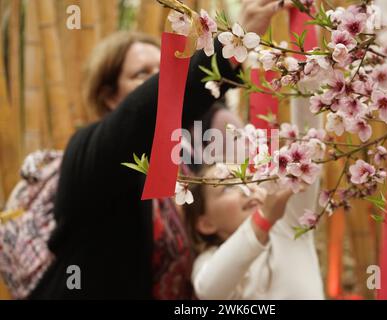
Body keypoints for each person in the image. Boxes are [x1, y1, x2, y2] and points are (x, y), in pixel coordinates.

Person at [28, 0, 288, 299]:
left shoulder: (186, 166)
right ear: (109, 96)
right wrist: (228, 48)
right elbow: (140, 117)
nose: (159, 79)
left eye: (164, 69)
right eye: (143, 74)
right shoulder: (88, 151)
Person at [184, 164, 324, 300]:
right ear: (206, 224)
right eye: (228, 187)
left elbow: (306, 154)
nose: (248, 189)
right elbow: (209, 291)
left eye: (251, 180)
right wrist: (264, 218)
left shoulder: (288, 223)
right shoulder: (207, 261)